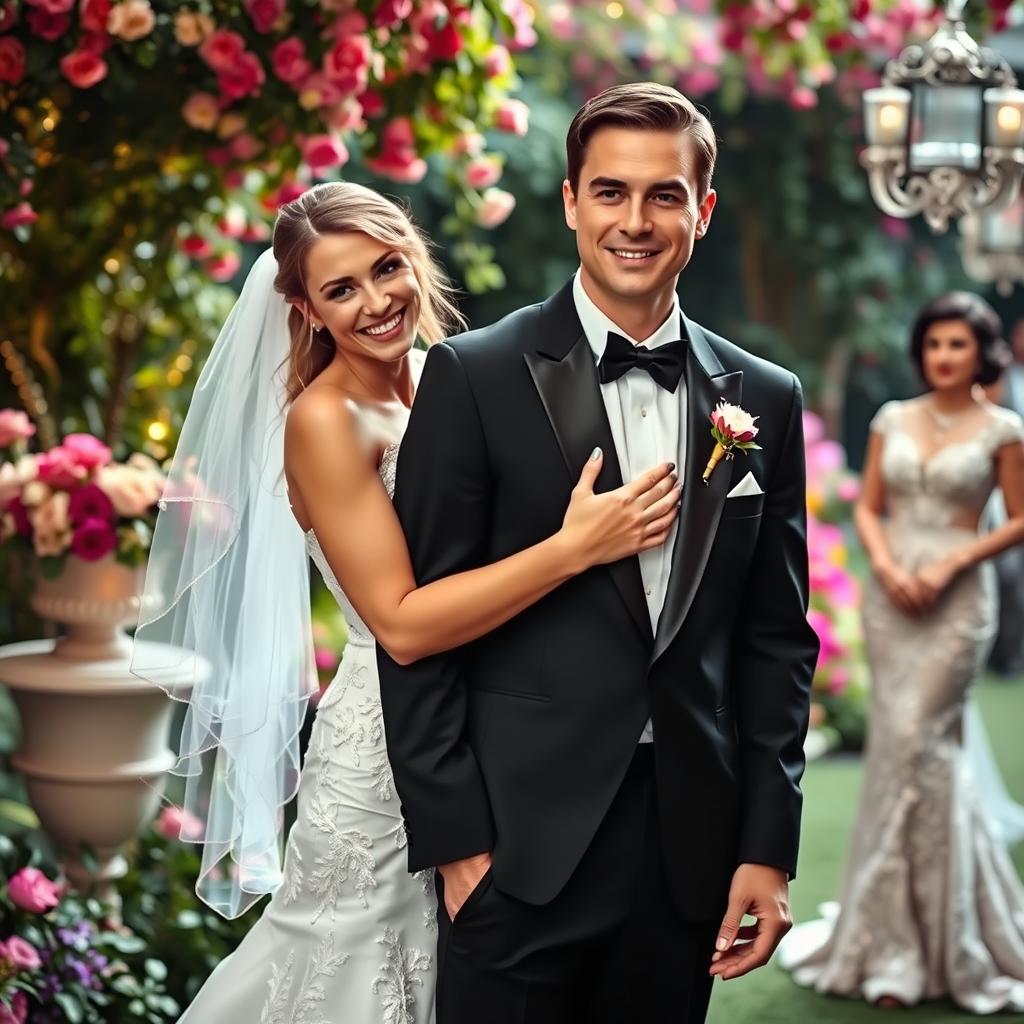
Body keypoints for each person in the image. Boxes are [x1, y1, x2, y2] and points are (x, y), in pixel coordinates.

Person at [131, 181, 682, 1023]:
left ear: (414, 254)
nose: (377, 301)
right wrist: (575, 548)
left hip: (492, 729)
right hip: (383, 751)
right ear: (305, 307)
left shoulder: (449, 375)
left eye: (387, 268)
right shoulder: (323, 422)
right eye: (340, 289)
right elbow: (400, 623)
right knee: (353, 966)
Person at [377, 82, 819, 1024]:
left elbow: (777, 642)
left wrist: (766, 846)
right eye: (610, 192)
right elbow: (414, 624)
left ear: (702, 211)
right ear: (572, 201)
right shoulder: (474, 375)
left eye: (664, 195)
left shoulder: (766, 400)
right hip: (515, 844)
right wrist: (457, 842)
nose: (635, 220)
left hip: (687, 846)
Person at [779, 292, 1024, 1013]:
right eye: (935, 343)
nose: (945, 356)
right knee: (898, 749)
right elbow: (867, 504)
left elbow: (1018, 518)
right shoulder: (893, 419)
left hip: (958, 599)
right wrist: (883, 567)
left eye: (959, 344)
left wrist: (951, 564)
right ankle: (883, 936)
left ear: (982, 353)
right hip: (894, 599)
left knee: (922, 744)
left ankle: (949, 943)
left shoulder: (1004, 428)